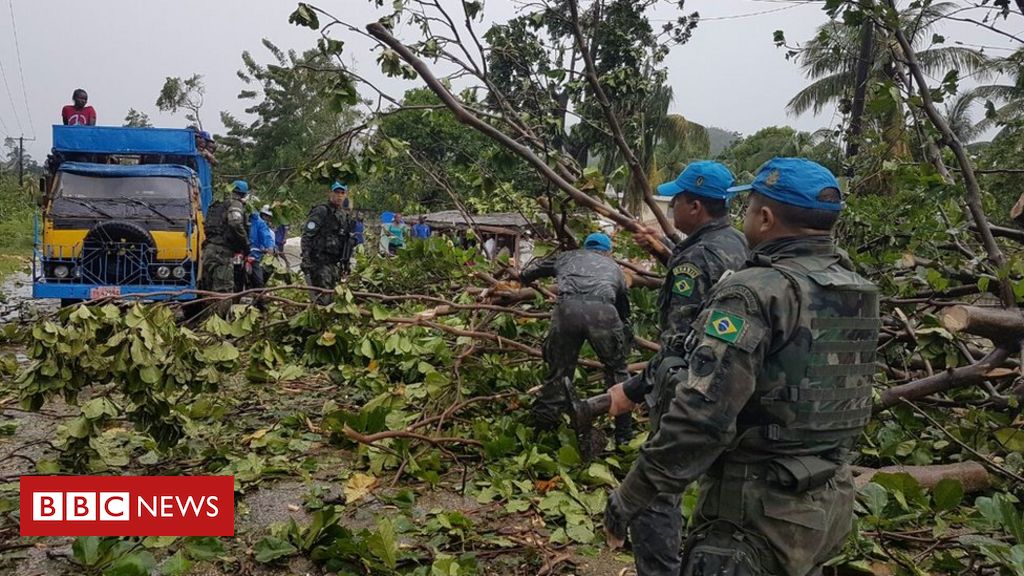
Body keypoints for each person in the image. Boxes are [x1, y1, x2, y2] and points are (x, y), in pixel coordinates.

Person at [603, 158, 881, 576]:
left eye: (749, 208)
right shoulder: (855, 286)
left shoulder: (754, 292)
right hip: (828, 501)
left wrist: (630, 496)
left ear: (765, 217)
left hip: (753, 512)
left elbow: (701, 418)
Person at [606, 161, 749, 576]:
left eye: (676, 202)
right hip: (735, 386)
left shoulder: (695, 259)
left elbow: (677, 343)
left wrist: (635, 389)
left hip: (691, 389)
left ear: (695, 206)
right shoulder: (738, 243)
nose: (671, 210)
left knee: (656, 489)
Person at [519, 232, 633, 444]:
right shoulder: (614, 267)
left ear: (585, 246)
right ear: (607, 251)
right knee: (617, 371)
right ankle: (623, 437)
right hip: (603, 312)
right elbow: (623, 307)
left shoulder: (566, 257)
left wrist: (522, 278)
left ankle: (543, 433)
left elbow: (530, 271)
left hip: (567, 311)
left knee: (559, 372)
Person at [301, 182, 355, 304]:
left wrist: (346, 264)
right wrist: (306, 258)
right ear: (330, 193)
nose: (339, 196)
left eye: (342, 193)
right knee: (322, 299)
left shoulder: (343, 215)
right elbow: (307, 236)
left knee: (333, 299)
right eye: (337, 192)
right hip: (318, 262)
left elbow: (346, 242)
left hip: (333, 264)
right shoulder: (321, 211)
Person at [201, 181, 250, 312]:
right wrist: (245, 244)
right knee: (223, 291)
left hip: (208, 249)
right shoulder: (234, 204)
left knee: (207, 290)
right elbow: (235, 223)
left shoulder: (215, 204)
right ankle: (217, 325)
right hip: (222, 252)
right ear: (243, 194)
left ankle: (204, 323)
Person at [247, 206, 276, 291]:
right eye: (265, 216)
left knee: (259, 281)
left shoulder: (259, 223)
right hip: (238, 253)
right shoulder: (238, 218)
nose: (267, 219)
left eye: (269, 217)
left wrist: (270, 248)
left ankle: (259, 301)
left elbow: (267, 238)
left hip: (254, 255)